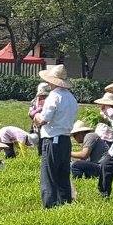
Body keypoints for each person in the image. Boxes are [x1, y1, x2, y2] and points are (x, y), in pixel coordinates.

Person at [34, 65, 78, 208]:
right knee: (63, 174)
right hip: (66, 139)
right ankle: (65, 203)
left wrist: (36, 116)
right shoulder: (71, 98)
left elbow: (45, 118)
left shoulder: (54, 96)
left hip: (52, 139)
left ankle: (49, 205)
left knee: (49, 174)